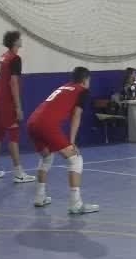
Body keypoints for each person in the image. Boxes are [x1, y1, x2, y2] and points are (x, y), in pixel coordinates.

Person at [26, 67, 100, 213]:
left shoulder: (64, 87)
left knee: (47, 157)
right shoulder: (82, 90)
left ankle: (40, 197)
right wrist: (72, 142)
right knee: (75, 159)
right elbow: (76, 115)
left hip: (32, 122)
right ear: (85, 80)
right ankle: (75, 204)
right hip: (46, 124)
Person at [0, 30, 34, 183]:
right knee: (13, 134)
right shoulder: (15, 58)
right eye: (19, 38)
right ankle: (19, 173)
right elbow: (13, 83)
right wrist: (18, 107)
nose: (21, 40)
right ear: (15, 42)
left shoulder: (3, 57)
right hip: (6, 101)